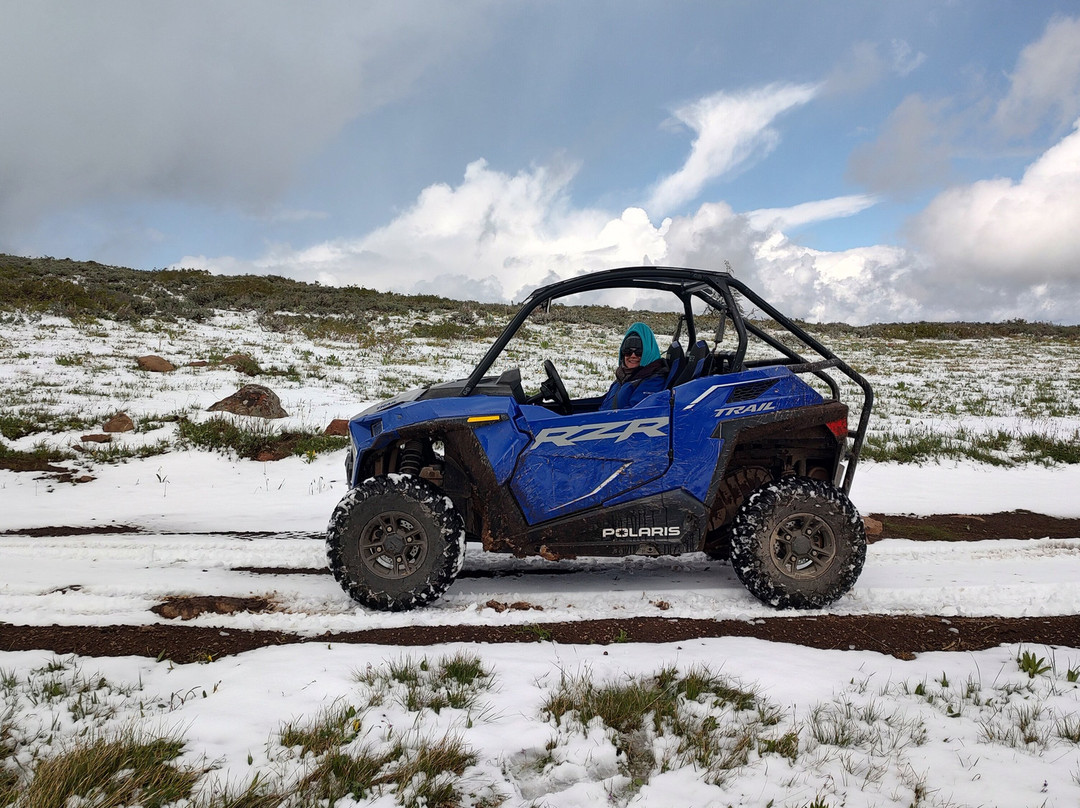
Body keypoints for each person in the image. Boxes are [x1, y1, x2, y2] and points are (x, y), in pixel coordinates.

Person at [599, 322, 667, 410]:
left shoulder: (652, 382)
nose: (633, 356)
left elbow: (633, 416)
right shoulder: (623, 377)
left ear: (648, 353)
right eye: (627, 351)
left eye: (639, 352)